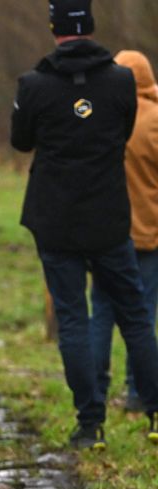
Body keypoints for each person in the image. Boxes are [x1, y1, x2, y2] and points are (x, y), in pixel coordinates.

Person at [11, 0, 158, 450]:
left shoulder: (33, 85)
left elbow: (20, 142)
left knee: (74, 319)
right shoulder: (121, 81)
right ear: (91, 26)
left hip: (56, 221)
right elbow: (122, 128)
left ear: (54, 27)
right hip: (110, 219)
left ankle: (89, 424)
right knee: (135, 316)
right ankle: (155, 412)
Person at [90, 50, 158, 414]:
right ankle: (139, 393)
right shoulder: (155, 121)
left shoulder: (102, 117)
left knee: (100, 312)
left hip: (106, 234)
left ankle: (96, 393)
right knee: (143, 315)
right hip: (149, 234)